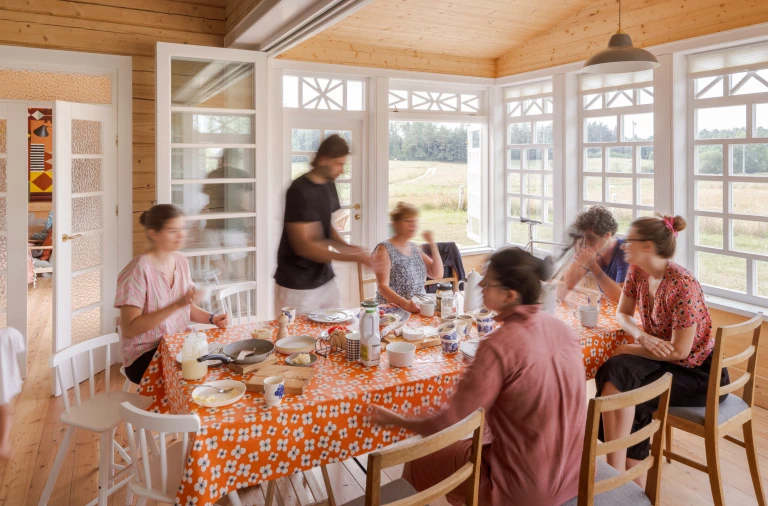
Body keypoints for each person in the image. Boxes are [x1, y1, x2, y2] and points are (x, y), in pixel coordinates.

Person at [373, 247, 586, 506]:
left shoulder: (499, 344)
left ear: (509, 295)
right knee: (471, 446)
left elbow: (449, 423)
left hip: (522, 489)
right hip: (574, 475)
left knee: (420, 458)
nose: (481, 285)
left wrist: (399, 420)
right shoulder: (563, 329)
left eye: (488, 282)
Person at [597, 214, 729, 486]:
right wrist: (639, 338)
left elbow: (680, 352)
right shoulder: (638, 271)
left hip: (698, 374)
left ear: (647, 246)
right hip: (665, 361)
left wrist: (628, 347)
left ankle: (621, 478)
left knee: (627, 385)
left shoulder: (682, 284)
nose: (623, 245)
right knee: (616, 369)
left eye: (629, 240)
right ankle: (618, 473)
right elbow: (623, 314)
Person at [114, 204, 230, 384]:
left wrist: (212, 319)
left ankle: (192, 411)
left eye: (182, 228)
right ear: (154, 233)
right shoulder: (138, 270)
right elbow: (129, 329)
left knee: (222, 361)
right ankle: (180, 411)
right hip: (144, 356)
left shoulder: (181, 261)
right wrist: (177, 304)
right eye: (173, 230)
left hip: (177, 343)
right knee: (196, 374)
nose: (181, 234)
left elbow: (186, 306)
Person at [274, 134, 372, 317]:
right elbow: (306, 246)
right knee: (299, 341)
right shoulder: (298, 190)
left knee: (334, 335)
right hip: (297, 285)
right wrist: (353, 257)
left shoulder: (328, 185)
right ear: (324, 159)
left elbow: (326, 228)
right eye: (339, 163)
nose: (342, 170)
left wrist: (352, 248)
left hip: (325, 279)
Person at [373, 202, 443, 312]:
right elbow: (382, 287)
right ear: (396, 223)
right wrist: (404, 303)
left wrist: (432, 244)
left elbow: (437, 274)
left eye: (415, 221)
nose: (413, 226)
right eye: (408, 221)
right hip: (391, 312)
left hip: (418, 309)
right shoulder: (384, 249)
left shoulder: (414, 247)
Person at [563, 205, 628, 303]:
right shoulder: (595, 251)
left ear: (607, 234)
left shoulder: (625, 252)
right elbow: (569, 284)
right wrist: (578, 261)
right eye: (584, 237)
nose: (586, 243)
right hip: (609, 309)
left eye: (591, 238)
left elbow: (622, 299)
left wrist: (593, 266)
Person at [0, 326, 25, 460]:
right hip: (2, 386)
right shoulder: (10, 333)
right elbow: (20, 348)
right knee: (5, 413)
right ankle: (3, 444)